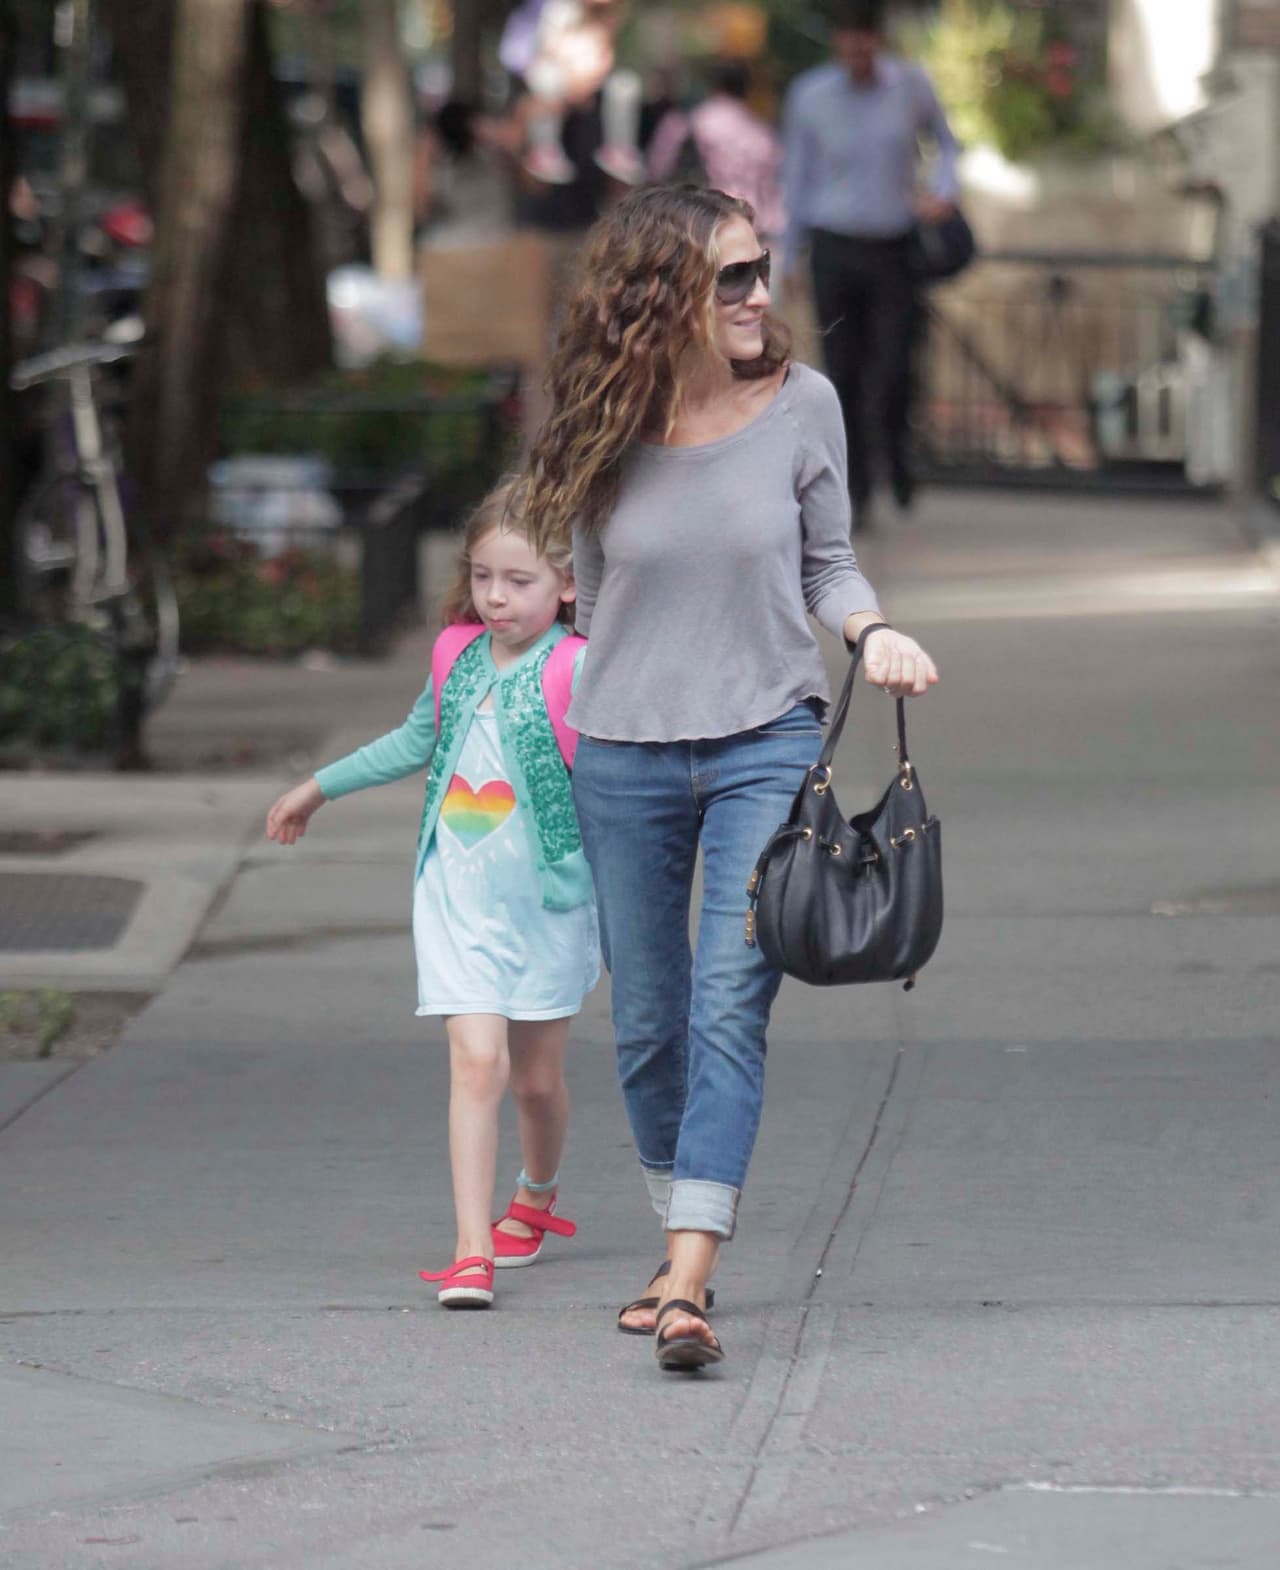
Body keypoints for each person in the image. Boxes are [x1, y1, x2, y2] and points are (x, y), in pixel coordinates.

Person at [522, 184, 939, 1371]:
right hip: (622, 753)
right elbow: (591, 602)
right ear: (661, 297)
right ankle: (677, 1234)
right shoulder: (601, 418)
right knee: (647, 1024)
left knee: (724, 1006)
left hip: (767, 740)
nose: (759, 293)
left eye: (762, 268)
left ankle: (689, 1271)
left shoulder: (803, 404)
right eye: (731, 277)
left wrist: (869, 632)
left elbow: (827, 563)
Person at [265, 481, 599, 1309]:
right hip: (456, 896)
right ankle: (471, 1249)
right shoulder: (455, 654)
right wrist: (317, 787)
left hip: (548, 905)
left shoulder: (579, 665)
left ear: (567, 583)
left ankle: (536, 1195)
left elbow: (620, 778)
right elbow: (416, 739)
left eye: (517, 580)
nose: (495, 597)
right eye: (483, 576)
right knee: (477, 1061)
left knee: (535, 1083)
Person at [781, 0, 960, 529]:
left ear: (878, 40)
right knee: (843, 371)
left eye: (865, 38)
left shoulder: (910, 86)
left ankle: (897, 454)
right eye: (848, 38)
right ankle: (856, 489)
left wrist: (943, 191)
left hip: (892, 246)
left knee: (895, 364)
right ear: (837, 41)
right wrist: (788, 255)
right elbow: (797, 177)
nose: (857, 49)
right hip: (834, 245)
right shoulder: (810, 95)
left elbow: (947, 144)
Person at [647, 61, 786, 247]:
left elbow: (657, 169)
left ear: (713, 86)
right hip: (752, 227)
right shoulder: (762, 132)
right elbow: (773, 186)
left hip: (702, 223)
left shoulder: (689, 122)